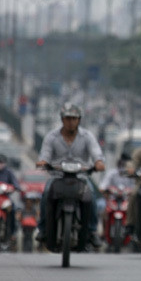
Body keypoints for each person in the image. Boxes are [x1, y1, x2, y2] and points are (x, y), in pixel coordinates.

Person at [35, 102, 106, 247]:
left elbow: (97, 154)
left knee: (91, 196)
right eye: (68, 118)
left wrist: (98, 162)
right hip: (57, 176)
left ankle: (92, 231)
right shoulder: (52, 137)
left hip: (81, 177)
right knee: (46, 193)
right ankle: (42, 229)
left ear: (79, 120)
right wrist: (43, 162)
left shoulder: (87, 136)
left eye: (74, 118)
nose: (71, 122)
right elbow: (45, 155)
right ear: (62, 119)